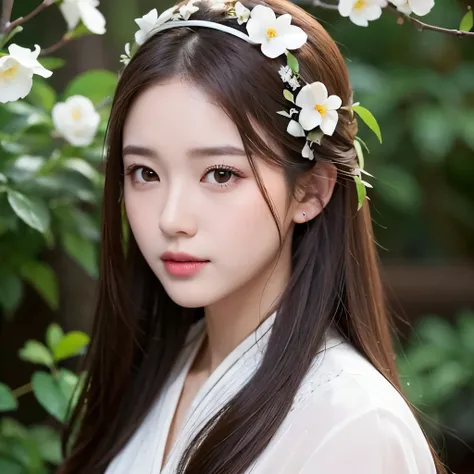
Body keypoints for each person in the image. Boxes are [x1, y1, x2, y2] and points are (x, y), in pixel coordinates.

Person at [57, 0, 446, 473]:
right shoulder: (152, 373)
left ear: (311, 190)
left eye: (220, 174)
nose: (171, 218)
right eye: (144, 172)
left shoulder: (354, 423)